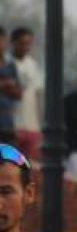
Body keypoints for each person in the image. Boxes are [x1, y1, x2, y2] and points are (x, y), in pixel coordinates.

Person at [8, 29, 41, 161]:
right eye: (22, 43)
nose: (25, 47)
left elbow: (37, 95)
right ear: (13, 43)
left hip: (31, 125)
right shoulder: (5, 63)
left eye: (28, 44)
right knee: (10, 166)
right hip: (11, 126)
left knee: (28, 168)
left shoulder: (33, 65)